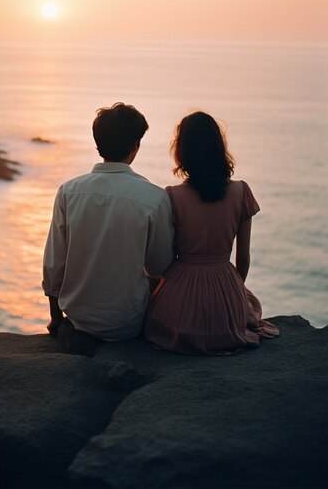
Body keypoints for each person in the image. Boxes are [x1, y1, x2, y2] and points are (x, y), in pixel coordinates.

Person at [144, 111, 279, 355]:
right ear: (219, 147)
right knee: (250, 305)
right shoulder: (241, 192)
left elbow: (162, 260)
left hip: (180, 296)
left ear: (182, 151)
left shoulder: (172, 196)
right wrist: (234, 294)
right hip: (226, 283)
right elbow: (243, 258)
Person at [42, 102, 174, 342]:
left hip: (77, 320)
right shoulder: (154, 198)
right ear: (136, 144)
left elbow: (54, 263)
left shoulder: (68, 192)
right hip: (129, 323)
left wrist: (55, 317)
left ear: (97, 145)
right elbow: (159, 266)